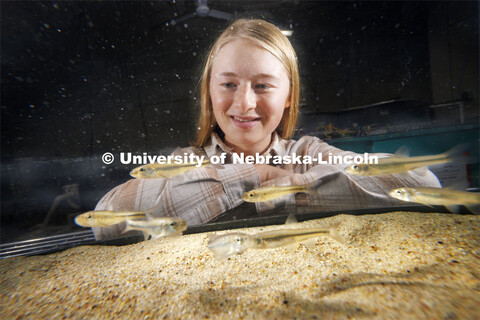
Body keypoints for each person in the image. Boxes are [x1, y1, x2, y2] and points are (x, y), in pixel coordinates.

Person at [93, 19, 440, 240]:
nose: (244, 104)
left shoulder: (307, 153)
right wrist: (253, 176)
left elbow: (420, 181)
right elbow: (104, 220)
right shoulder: (187, 161)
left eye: (262, 86)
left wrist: (291, 185)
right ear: (210, 93)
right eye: (228, 84)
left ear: (289, 96)